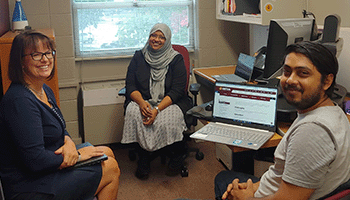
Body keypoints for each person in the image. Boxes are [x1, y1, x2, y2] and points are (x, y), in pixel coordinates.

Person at [214, 41, 350, 200]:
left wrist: (247, 198)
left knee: (222, 180)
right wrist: (251, 187)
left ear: (327, 81)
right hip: (278, 187)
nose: (291, 80)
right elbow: (280, 176)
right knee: (224, 178)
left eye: (303, 73)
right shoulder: (333, 110)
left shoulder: (312, 132)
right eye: (287, 72)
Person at [0, 31, 120, 200]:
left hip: (51, 162)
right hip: (30, 184)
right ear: (21, 62)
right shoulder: (19, 101)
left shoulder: (44, 89)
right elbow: (36, 161)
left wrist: (69, 142)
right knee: (110, 167)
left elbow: (60, 127)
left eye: (48, 53)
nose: (45, 59)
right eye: (36, 54)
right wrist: (76, 157)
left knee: (106, 151)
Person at [121, 23, 192, 179]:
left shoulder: (176, 59)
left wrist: (157, 109)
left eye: (161, 37)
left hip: (170, 101)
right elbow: (130, 85)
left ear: (167, 40)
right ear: (149, 37)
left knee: (167, 119)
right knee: (135, 113)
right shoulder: (139, 57)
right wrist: (141, 103)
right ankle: (144, 157)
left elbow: (178, 90)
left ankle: (178, 153)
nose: (156, 39)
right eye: (154, 35)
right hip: (144, 99)